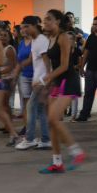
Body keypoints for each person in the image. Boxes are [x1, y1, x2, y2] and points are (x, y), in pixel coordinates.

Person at [37, 10, 86, 173]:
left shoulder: (64, 37)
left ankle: (76, 152)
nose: (45, 22)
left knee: (53, 118)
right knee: (52, 122)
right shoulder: (50, 38)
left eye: (48, 19)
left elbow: (64, 65)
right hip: (58, 82)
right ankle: (57, 162)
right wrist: (49, 84)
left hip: (69, 82)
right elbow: (53, 64)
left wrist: (45, 79)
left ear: (58, 21)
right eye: (44, 19)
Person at [15, 16, 52, 150]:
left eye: (26, 26)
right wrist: (20, 67)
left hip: (42, 81)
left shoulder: (41, 40)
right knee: (40, 110)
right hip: (38, 80)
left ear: (34, 26)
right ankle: (46, 139)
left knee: (30, 107)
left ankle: (29, 139)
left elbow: (47, 62)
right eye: (23, 27)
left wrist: (45, 80)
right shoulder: (35, 40)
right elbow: (33, 59)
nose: (24, 30)